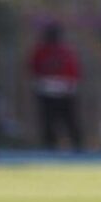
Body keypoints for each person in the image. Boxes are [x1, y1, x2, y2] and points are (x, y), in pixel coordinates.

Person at [28, 22, 82, 150]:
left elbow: (73, 70)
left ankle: (75, 145)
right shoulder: (43, 51)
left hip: (60, 90)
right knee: (51, 121)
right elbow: (34, 68)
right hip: (51, 90)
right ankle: (51, 146)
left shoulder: (62, 51)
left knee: (66, 120)